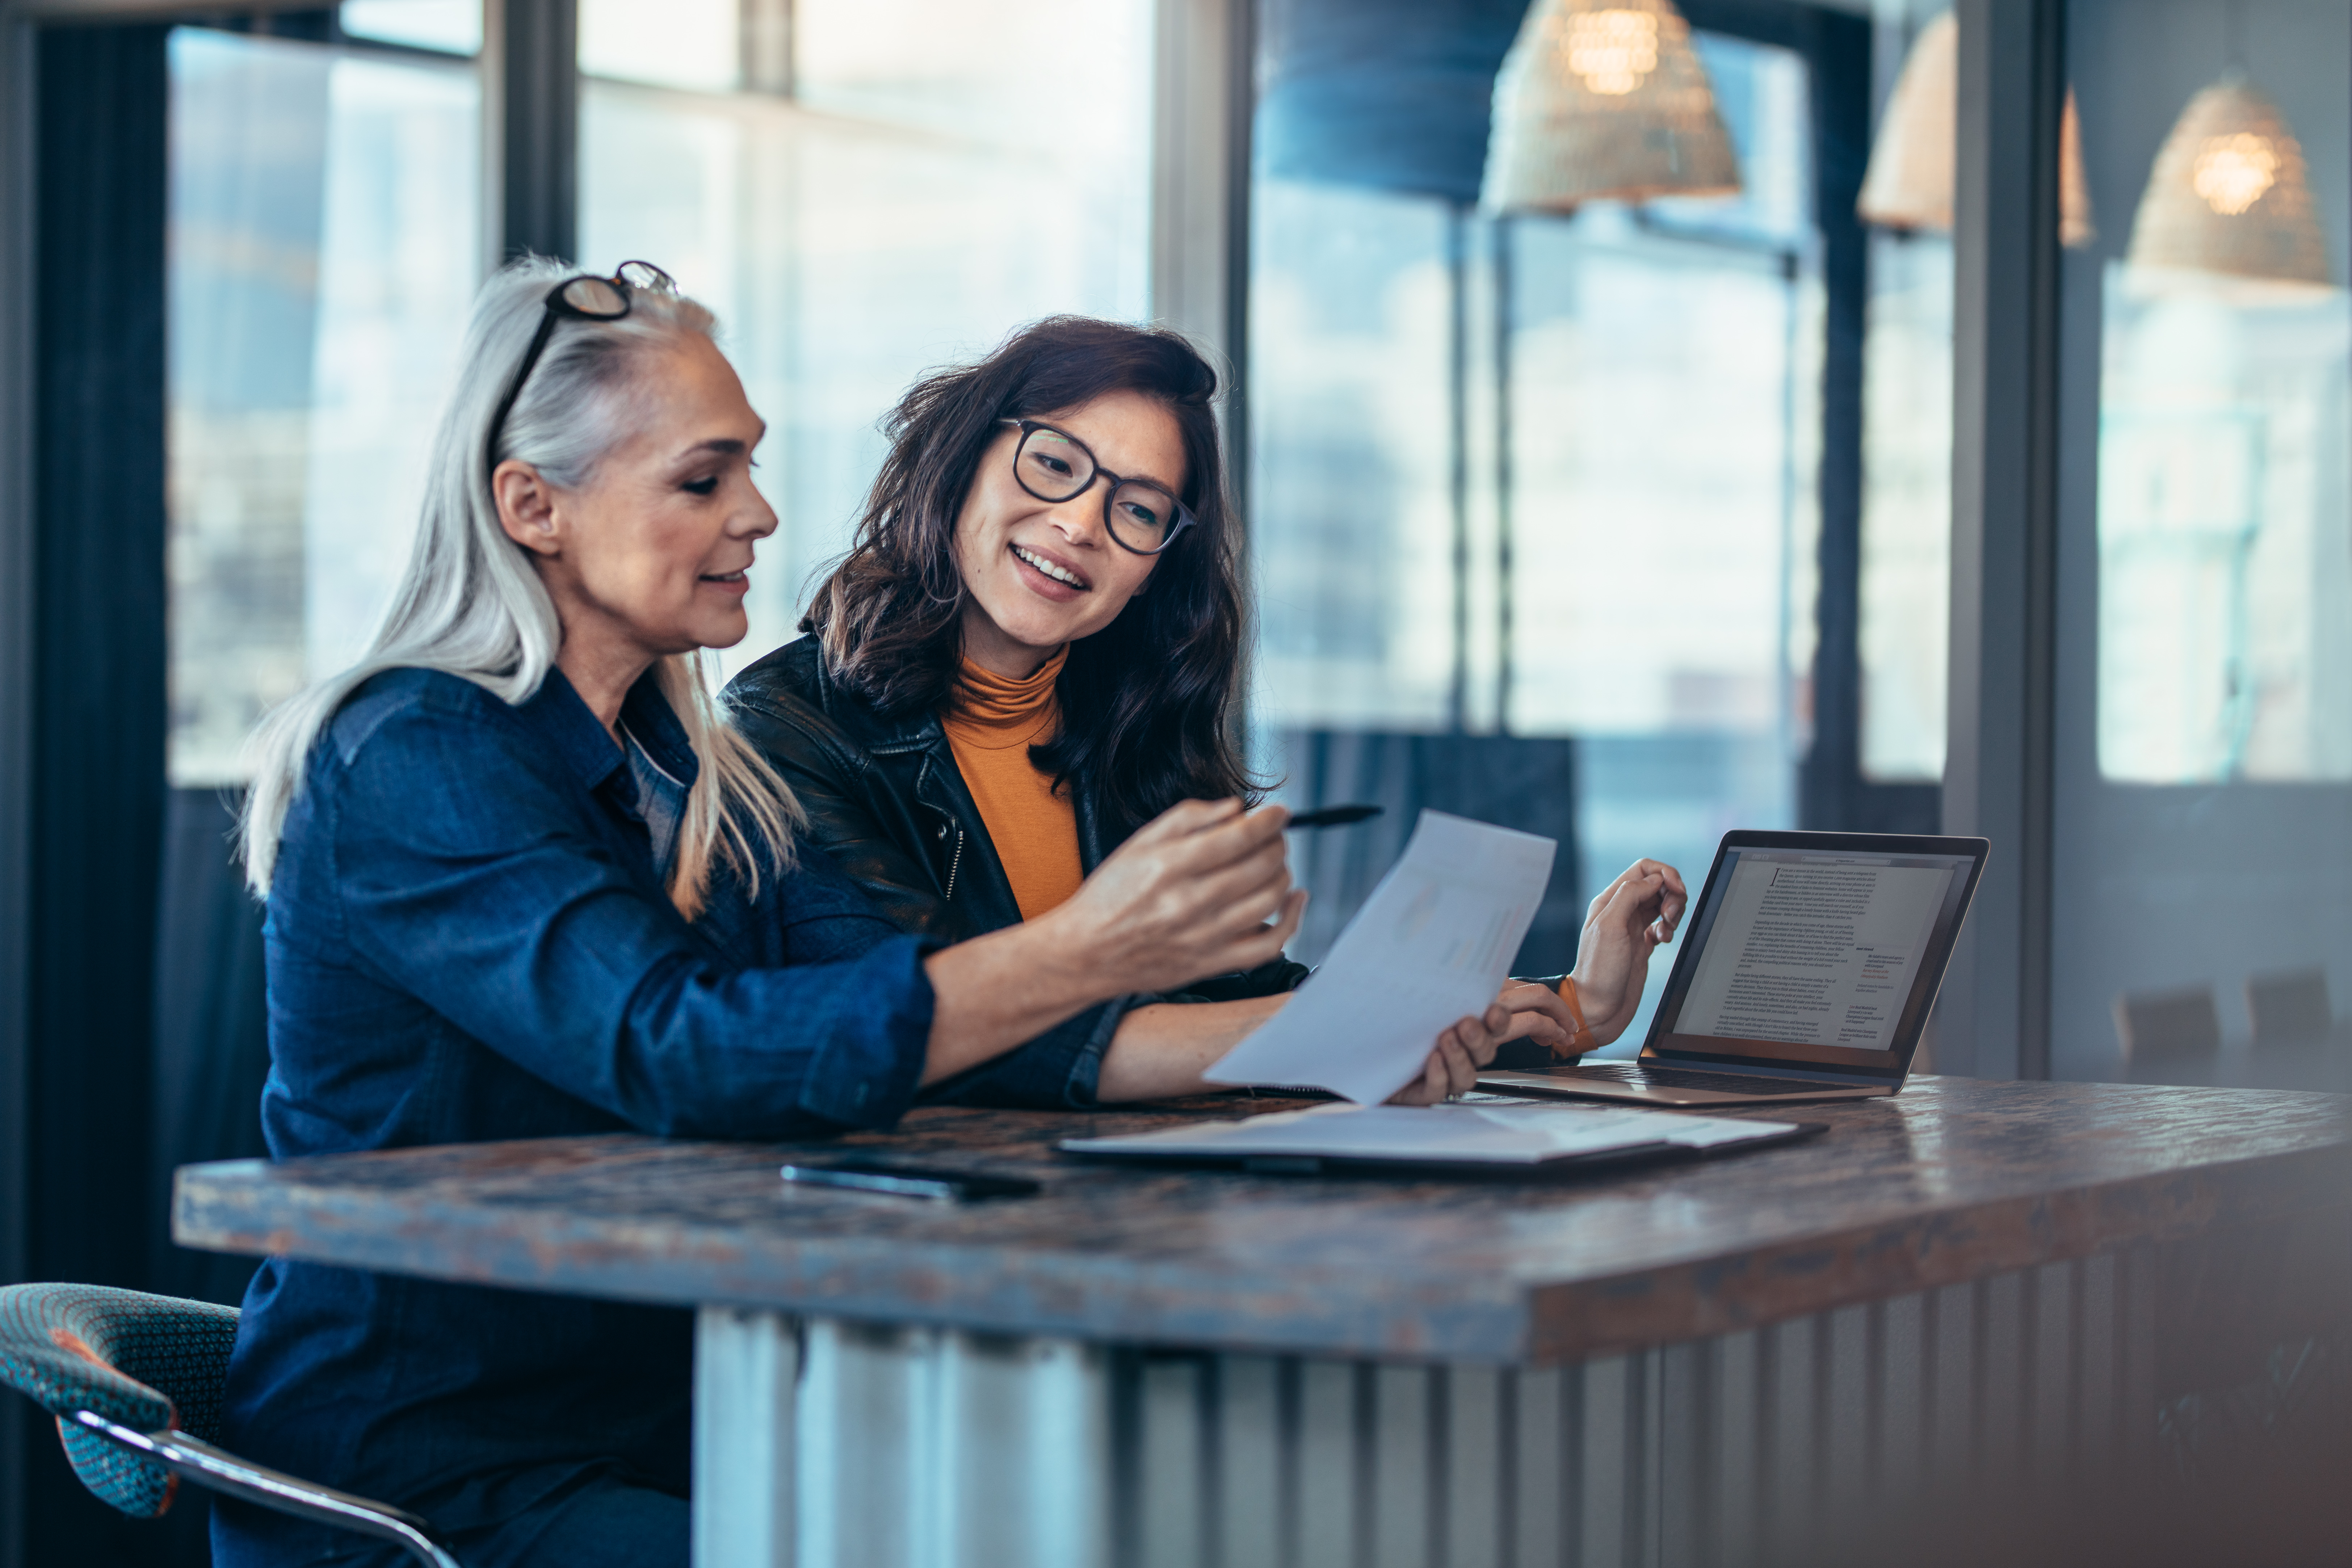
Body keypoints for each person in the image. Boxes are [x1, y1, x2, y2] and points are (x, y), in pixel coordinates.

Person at [217, 264, 1515, 1568]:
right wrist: (1093, 947)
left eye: (751, 472)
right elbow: (685, 1050)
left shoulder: (689, 771)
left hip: (664, 1422)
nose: (762, 516)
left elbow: (917, 1007)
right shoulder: (412, 751)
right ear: (532, 504)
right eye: (703, 480)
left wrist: (1353, 1038)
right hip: (436, 1477)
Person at [725, 316, 1687, 1101]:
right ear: (963, 459)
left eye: (1139, 509)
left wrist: (1572, 1008)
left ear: (1156, 570)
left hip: (1136, 1223)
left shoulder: (1130, 734)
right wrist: (1355, 1032)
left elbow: (1242, 1006)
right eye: (1054, 463)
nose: (1081, 524)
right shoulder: (783, 730)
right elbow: (941, 1029)